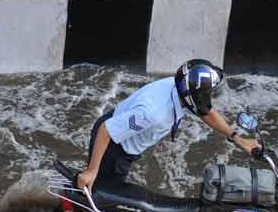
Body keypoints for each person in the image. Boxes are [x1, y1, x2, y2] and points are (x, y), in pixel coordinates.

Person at [77, 59, 261, 191]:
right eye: (208, 94)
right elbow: (106, 130)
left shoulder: (181, 85)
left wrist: (239, 139)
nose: (210, 97)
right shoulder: (153, 114)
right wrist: (92, 171)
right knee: (103, 198)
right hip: (114, 147)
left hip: (121, 129)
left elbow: (207, 113)